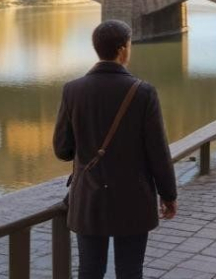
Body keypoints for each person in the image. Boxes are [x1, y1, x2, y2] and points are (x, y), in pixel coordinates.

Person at [52, 20, 177, 279]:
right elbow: (158, 152)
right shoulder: (143, 92)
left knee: (89, 270)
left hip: (89, 197)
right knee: (130, 271)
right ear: (122, 50)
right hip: (133, 197)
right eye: (129, 46)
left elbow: (62, 150)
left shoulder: (72, 90)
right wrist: (168, 195)